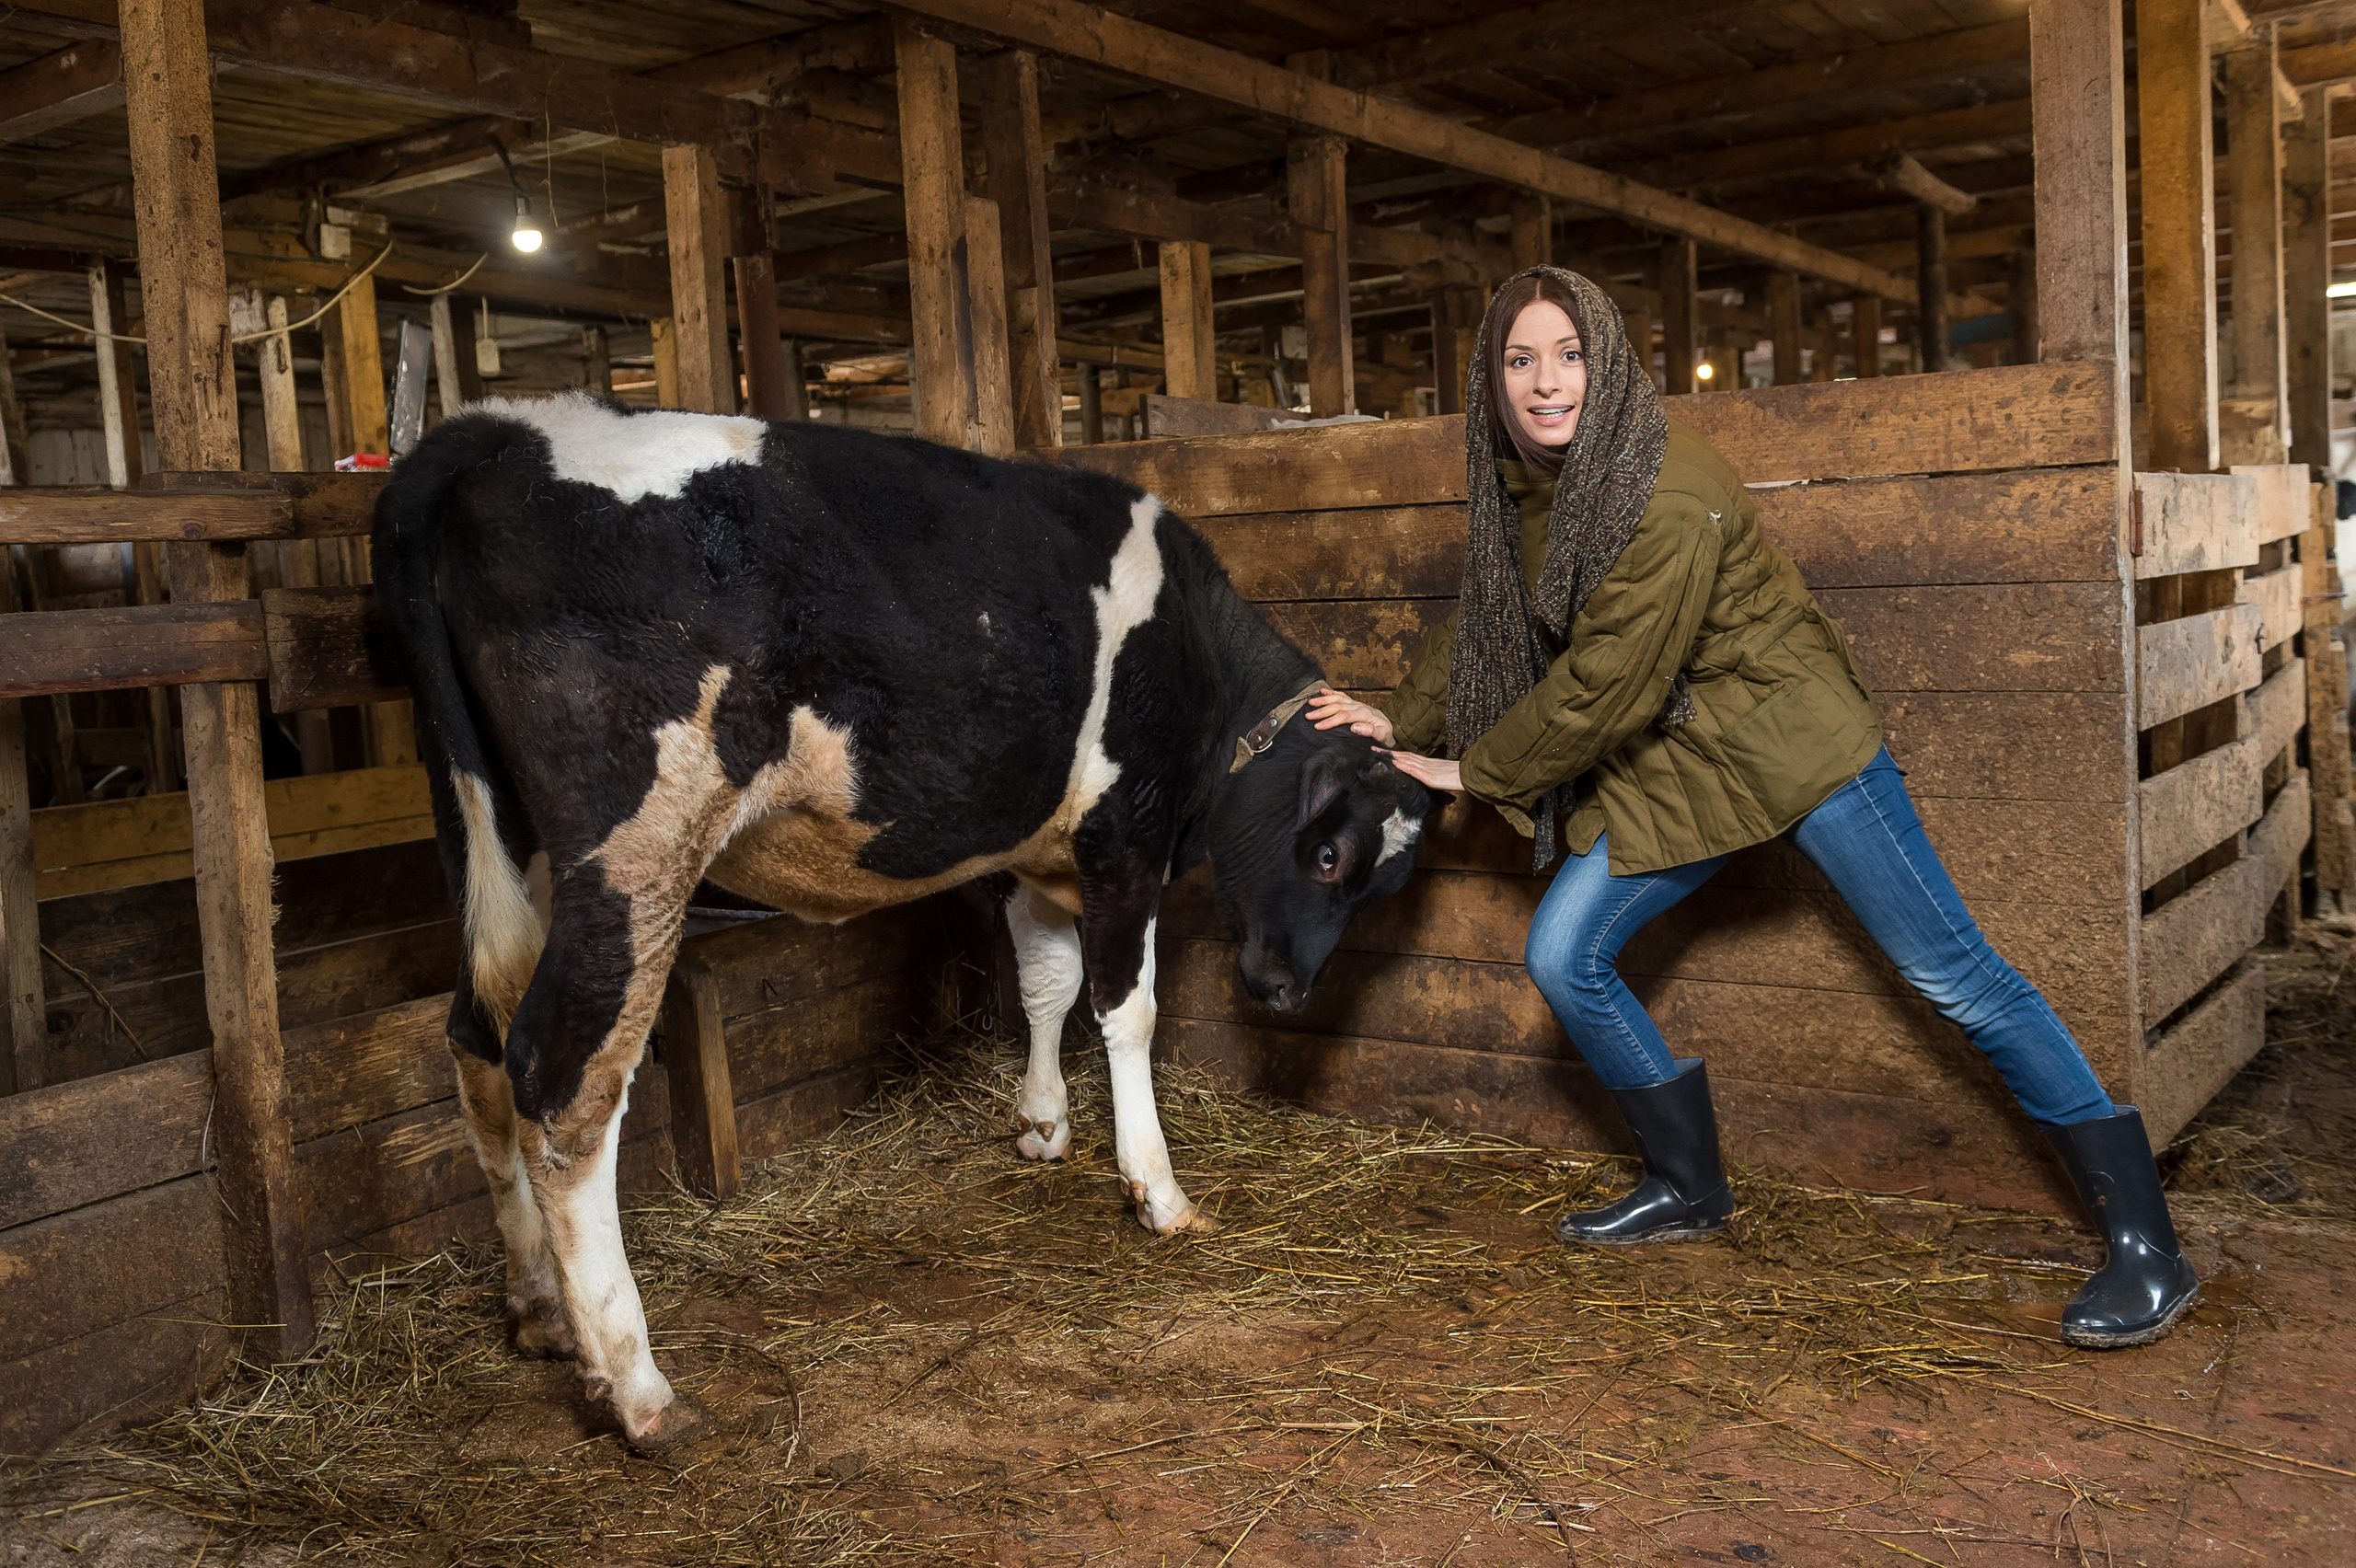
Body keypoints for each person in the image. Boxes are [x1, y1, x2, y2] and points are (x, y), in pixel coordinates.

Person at [1308, 266, 2200, 1349]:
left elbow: (1610, 687)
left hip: (1790, 741)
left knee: (1951, 975)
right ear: (1490, 379)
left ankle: (2148, 1247)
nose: (1547, 384)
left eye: (1569, 354)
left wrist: (1478, 771)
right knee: (1563, 955)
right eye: (1520, 359)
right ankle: (1689, 1186)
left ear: (1609, 360)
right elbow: (1489, 622)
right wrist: (1400, 725)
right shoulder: (1526, 488)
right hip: (1683, 765)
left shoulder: (1662, 489)